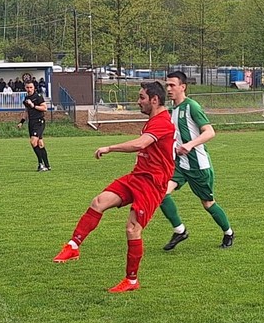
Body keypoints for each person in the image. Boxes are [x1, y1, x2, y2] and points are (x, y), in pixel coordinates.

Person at [54, 82, 176, 293]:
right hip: (137, 176)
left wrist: (110, 147)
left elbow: (140, 144)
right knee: (99, 202)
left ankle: (131, 280)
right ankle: (73, 246)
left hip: (152, 184)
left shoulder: (162, 121)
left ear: (154, 100)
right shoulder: (154, 120)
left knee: (132, 229)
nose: (138, 102)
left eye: (142, 97)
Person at [158, 70, 235, 251]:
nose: (168, 89)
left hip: (198, 165)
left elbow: (210, 132)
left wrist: (190, 145)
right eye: (167, 85)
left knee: (208, 203)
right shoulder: (171, 111)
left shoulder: (191, 106)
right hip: (180, 165)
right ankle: (180, 230)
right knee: (161, 193)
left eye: (172, 85)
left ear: (183, 87)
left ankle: (228, 232)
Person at [17, 80, 51, 172]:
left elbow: (45, 108)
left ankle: (40, 164)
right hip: (31, 123)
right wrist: (21, 122)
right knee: (40, 144)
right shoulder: (26, 98)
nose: (29, 89)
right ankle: (47, 165)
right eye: (27, 87)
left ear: (34, 88)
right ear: (25, 88)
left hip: (39, 122)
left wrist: (33, 106)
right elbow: (26, 111)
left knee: (33, 142)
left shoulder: (38, 97)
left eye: (31, 87)